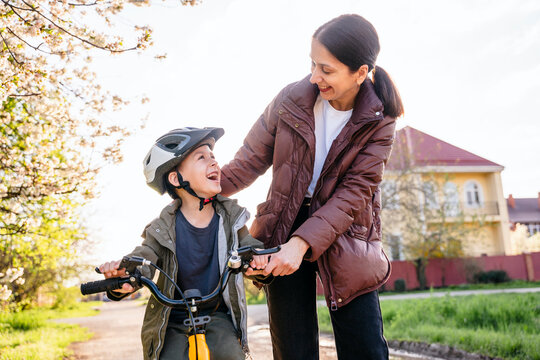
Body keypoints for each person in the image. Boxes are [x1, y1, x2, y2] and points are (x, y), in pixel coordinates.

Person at [220, 14, 404, 360]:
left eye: (327, 70)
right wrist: (195, 191)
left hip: (347, 230)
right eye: (313, 65)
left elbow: (355, 192)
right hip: (283, 223)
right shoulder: (291, 99)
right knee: (293, 351)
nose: (315, 77)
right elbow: (247, 161)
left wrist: (301, 244)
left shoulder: (381, 122)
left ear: (360, 73)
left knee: (364, 349)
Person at [98, 127, 270, 360]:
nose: (214, 163)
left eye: (214, 157)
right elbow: (145, 257)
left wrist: (258, 261)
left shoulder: (232, 218)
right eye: (202, 158)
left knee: (231, 354)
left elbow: (249, 248)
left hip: (217, 314)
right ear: (175, 178)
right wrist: (124, 276)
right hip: (173, 318)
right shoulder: (162, 228)